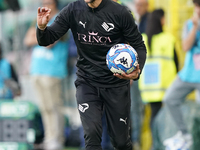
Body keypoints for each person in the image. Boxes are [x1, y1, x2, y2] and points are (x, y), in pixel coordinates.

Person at [36, 0, 147, 149]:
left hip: (115, 84)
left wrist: (136, 71)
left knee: (120, 142)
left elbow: (139, 46)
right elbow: (46, 39)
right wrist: (42, 28)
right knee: (92, 135)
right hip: (87, 82)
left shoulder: (120, 13)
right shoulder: (73, 10)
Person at [24, 0, 69, 149]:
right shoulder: (38, 18)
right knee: (44, 108)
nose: (46, 5)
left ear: (55, 3)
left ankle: (57, 140)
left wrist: (36, 37)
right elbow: (27, 39)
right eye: (44, 2)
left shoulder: (60, 19)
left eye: (49, 2)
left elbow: (49, 43)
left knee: (54, 107)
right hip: (36, 69)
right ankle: (49, 138)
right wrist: (40, 38)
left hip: (52, 71)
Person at [163, 0, 200, 148]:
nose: (198, 9)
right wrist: (195, 27)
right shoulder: (190, 24)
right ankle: (184, 134)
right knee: (169, 98)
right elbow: (185, 46)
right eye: (197, 6)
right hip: (188, 74)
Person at [139, 9, 178, 133]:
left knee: (153, 115)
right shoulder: (167, 39)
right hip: (166, 85)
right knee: (165, 117)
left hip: (148, 87)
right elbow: (176, 62)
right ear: (161, 20)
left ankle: (155, 144)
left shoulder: (142, 40)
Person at [130, 0, 149, 149]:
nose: (138, 7)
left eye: (141, 4)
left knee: (137, 109)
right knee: (134, 109)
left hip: (145, 74)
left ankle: (138, 141)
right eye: (136, 4)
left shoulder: (150, 22)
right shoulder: (136, 22)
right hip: (136, 73)